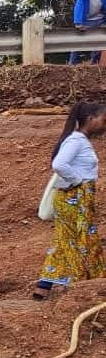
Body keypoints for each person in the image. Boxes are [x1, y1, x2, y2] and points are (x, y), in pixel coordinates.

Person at [33, 101, 106, 299]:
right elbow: (59, 164)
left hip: (76, 198)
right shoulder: (76, 141)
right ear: (90, 119)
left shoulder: (79, 140)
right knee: (83, 240)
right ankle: (83, 287)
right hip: (74, 198)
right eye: (102, 120)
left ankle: (43, 287)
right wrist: (77, 181)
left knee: (68, 240)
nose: (103, 125)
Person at [69, 0, 106, 66]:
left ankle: (94, 66)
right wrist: (78, 22)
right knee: (77, 44)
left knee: (98, 44)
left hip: (100, 20)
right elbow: (79, 4)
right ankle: (72, 66)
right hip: (86, 20)